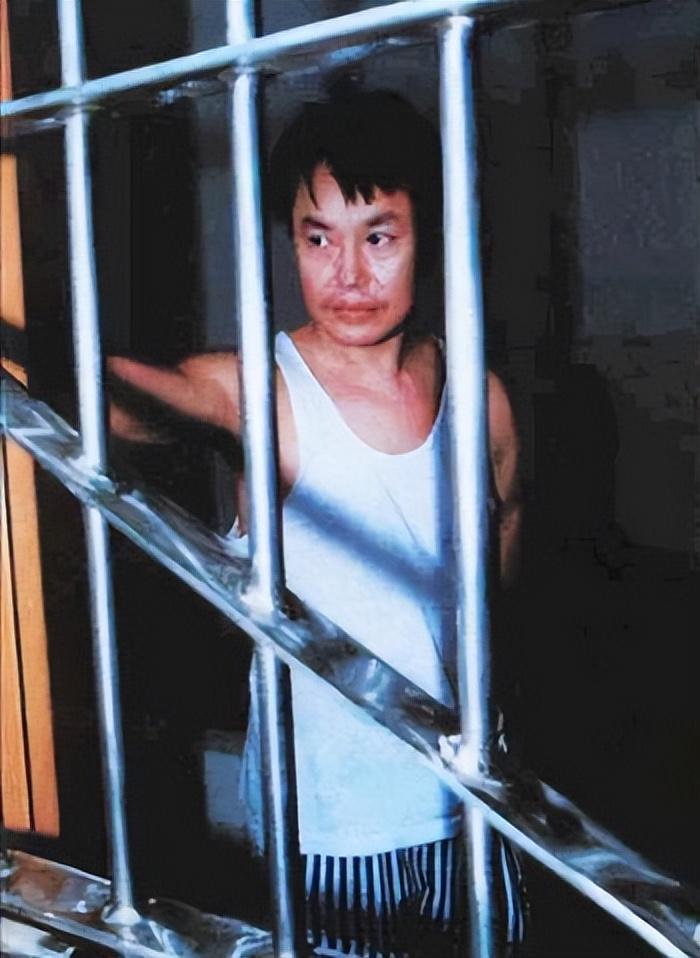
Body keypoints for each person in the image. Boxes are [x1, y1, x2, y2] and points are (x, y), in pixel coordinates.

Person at [110, 89, 524, 957]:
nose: (348, 276)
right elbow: (114, 402)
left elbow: (498, 561)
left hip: (475, 801)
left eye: (378, 237)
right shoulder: (260, 391)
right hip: (332, 819)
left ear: (428, 235)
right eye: (317, 239)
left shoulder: (480, 394)